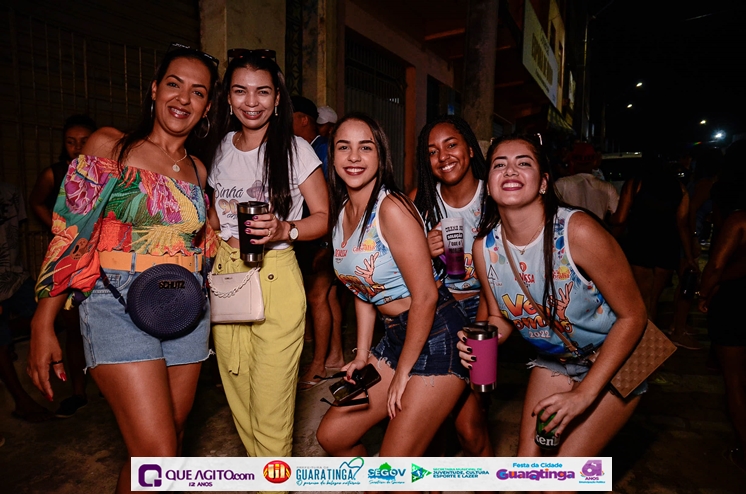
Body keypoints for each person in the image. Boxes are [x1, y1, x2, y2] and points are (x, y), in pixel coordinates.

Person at [27, 44, 221, 494]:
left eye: (197, 92)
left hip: (186, 307)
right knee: (158, 455)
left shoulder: (197, 169)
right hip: (116, 302)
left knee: (163, 445)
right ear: (154, 89)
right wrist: (43, 321)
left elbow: (202, 239)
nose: (183, 98)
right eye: (174, 84)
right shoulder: (110, 146)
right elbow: (70, 233)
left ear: (207, 107)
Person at [457, 134, 647, 469]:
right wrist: (480, 340)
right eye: (499, 164)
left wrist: (584, 394)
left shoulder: (577, 232)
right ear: (489, 185)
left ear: (544, 182)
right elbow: (500, 317)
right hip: (555, 358)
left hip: (617, 358)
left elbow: (634, 316)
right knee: (528, 469)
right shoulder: (484, 248)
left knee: (560, 476)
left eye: (523, 163)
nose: (510, 170)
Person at [316, 113, 468, 457]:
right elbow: (361, 289)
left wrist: (403, 373)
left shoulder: (392, 208)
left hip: (436, 335)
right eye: (344, 147)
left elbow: (426, 296)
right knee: (333, 436)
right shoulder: (341, 212)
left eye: (365, 147)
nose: (354, 157)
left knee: (393, 468)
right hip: (396, 336)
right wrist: (363, 354)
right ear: (332, 156)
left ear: (380, 155)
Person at [207, 49, 329, 458]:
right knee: (238, 389)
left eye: (262, 91)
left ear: (278, 99)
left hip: (275, 272)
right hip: (227, 275)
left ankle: (271, 482)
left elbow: (323, 217)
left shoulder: (296, 149)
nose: (252, 101)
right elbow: (216, 214)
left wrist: (285, 229)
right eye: (240, 91)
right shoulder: (221, 148)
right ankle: (265, 474)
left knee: (271, 401)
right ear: (228, 98)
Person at [412, 115, 492, 457]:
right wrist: (423, 251)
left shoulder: (494, 195)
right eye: (432, 151)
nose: (443, 156)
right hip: (441, 309)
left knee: (472, 421)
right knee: (435, 418)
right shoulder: (421, 200)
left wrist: (482, 325)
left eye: (451, 145)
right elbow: (400, 268)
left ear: (470, 149)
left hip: (486, 308)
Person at [28, 114, 98, 418]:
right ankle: (79, 392)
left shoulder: (106, 174)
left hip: (100, 260)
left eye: (84, 141)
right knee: (72, 329)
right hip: (68, 261)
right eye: (71, 142)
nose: (77, 147)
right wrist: (61, 231)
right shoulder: (54, 173)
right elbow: (36, 202)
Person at [698, 140, 746, 473]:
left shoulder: (739, 219)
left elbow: (715, 266)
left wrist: (705, 292)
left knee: (736, 382)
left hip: (735, 303)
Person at [290, 95, 344, 390]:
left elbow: (330, 199)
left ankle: (319, 365)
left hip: (324, 236)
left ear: (303, 120)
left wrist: (326, 243)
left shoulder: (319, 150)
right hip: (324, 236)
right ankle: (334, 355)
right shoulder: (313, 147)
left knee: (317, 297)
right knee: (328, 296)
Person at [612, 157, 695, 324]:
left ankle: (641, 336)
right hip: (667, 247)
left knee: (641, 299)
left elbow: (620, 219)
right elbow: (682, 225)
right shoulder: (679, 188)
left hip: (640, 244)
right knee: (653, 300)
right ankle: (651, 334)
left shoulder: (635, 184)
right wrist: (689, 257)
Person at [1, 182, 53, 424]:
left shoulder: (10, 191)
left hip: (14, 274)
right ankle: (22, 401)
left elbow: (15, 234)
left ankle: (7, 337)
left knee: (50, 315)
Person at [554, 142, 619, 222]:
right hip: (596, 229)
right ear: (594, 162)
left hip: (570, 229)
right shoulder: (608, 188)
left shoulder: (562, 184)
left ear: (572, 162)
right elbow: (619, 217)